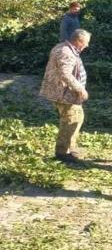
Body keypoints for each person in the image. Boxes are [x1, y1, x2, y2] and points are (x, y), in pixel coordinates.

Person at [40, 29, 91, 163]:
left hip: (60, 91)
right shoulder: (66, 52)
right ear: (79, 41)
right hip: (64, 93)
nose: (87, 46)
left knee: (76, 118)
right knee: (70, 120)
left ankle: (69, 148)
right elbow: (66, 74)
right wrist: (80, 89)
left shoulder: (61, 47)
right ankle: (62, 152)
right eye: (86, 42)